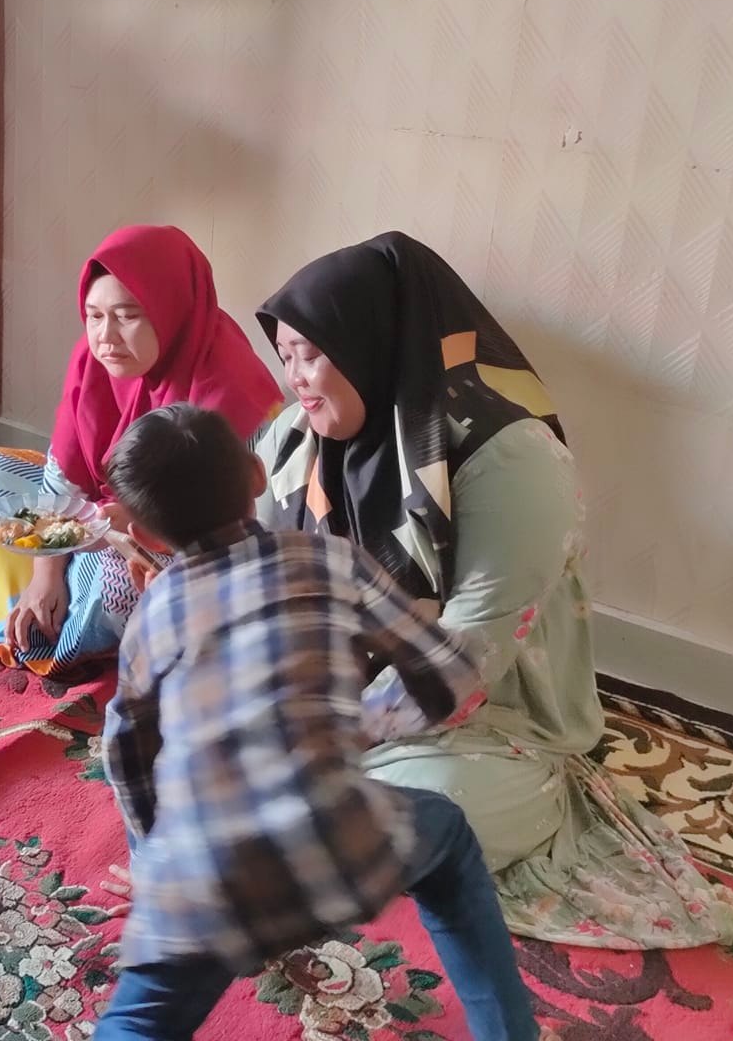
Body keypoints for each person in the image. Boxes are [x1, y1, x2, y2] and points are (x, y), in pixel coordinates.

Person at [252, 232, 733, 948]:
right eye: (286, 355)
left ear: (370, 342)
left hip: (478, 724)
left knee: (406, 816)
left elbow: (466, 659)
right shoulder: (296, 442)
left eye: (311, 354)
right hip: (330, 701)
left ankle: (519, 801)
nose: (295, 377)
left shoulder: (508, 458)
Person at [95, 404, 540, 1041]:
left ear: (148, 536)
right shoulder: (332, 559)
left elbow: (126, 752)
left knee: (137, 1024)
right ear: (256, 475)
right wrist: (363, 722)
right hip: (339, 844)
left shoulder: (154, 613)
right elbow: (447, 674)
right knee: (447, 835)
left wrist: (154, 858)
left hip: (203, 887)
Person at [0, 225, 283, 675]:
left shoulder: (229, 386)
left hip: (176, 545)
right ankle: (31, 601)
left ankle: (47, 627)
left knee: (111, 581)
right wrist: (46, 571)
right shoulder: (93, 360)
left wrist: (115, 528)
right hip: (101, 517)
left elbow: (230, 523)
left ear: (169, 309)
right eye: (94, 316)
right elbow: (62, 475)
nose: (106, 336)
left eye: (127, 316)